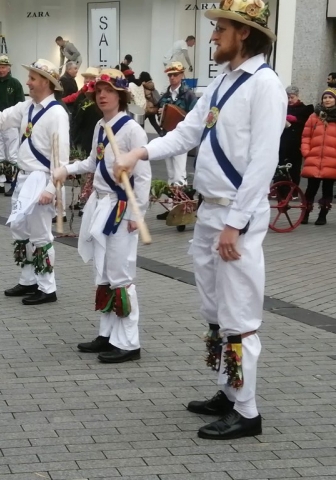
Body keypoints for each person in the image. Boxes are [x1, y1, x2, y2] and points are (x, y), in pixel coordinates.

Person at [113, 0, 286, 440]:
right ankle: (228, 391)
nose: (211, 37)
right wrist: (140, 151)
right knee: (213, 308)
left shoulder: (265, 86)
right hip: (211, 210)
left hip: (235, 215)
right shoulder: (223, 83)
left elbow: (264, 162)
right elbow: (189, 131)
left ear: (243, 33)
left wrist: (237, 223)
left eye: (220, 29)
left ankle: (247, 412)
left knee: (239, 312)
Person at [53, 69, 151, 363]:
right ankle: (108, 334)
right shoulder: (99, 125)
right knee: (105, 273)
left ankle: (129, 342)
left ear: (121, 95)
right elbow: (93, 162)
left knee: (121, 273)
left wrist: (138, 213)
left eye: (108, 91)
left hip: (121, 207)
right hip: (100, 204)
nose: (102, 96)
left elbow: (143, 176)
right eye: (98, 92)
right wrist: (67, 169)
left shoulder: (132, 130)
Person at [0, 58, 69, 306]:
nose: (28, 82)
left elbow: (61, 159)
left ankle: (47, 287)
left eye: (32, 78)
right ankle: (27, 279)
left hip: (41, 178)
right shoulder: (27, 107)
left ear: (46, 82)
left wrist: (50, 188)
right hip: (23, 178)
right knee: (19, 229)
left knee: (41, 234)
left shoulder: (57, 114)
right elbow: (2, 118)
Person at [156, 61, 197, 219]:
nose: (172, 77)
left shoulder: (188, 94)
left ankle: (182, 209)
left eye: (175, 75)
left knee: (180, 174)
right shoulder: (165, 96)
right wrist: (161, 112)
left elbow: (195, 116)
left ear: (181, 75)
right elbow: (159, 115)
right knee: (171, 174)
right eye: (170, 75)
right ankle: (171, 208)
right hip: (167, 136)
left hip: (181, 138)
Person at [0, 55, 25, 196]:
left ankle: (15, 183)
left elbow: (21, 104)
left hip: (11, 124)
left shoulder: (15, 84)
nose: (1, 70)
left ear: (9, 68)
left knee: (13, 154)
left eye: (3, 67)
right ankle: (0, 183)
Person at [300, 88, 336, 226]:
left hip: (332, 160)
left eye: (330, 97)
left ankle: (322, 215)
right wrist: (306, 152)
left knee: (327, 190)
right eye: (325, 97)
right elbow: (305, 136)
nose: (327, 100)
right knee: (310, 190)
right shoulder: (314, 116)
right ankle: (305, 214)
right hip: (314, 159)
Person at [279, 86, 313, 188]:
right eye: (288, 97)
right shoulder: (283, 108)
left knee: (294, 168)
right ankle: (281, 189)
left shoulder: (305, 109)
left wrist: (296, 121)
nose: (289, 100)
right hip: (283, 143)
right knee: (281, 167)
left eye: (292, 97)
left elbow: (307, 126)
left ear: (297, 96)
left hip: (296, 143)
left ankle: (294, 189)